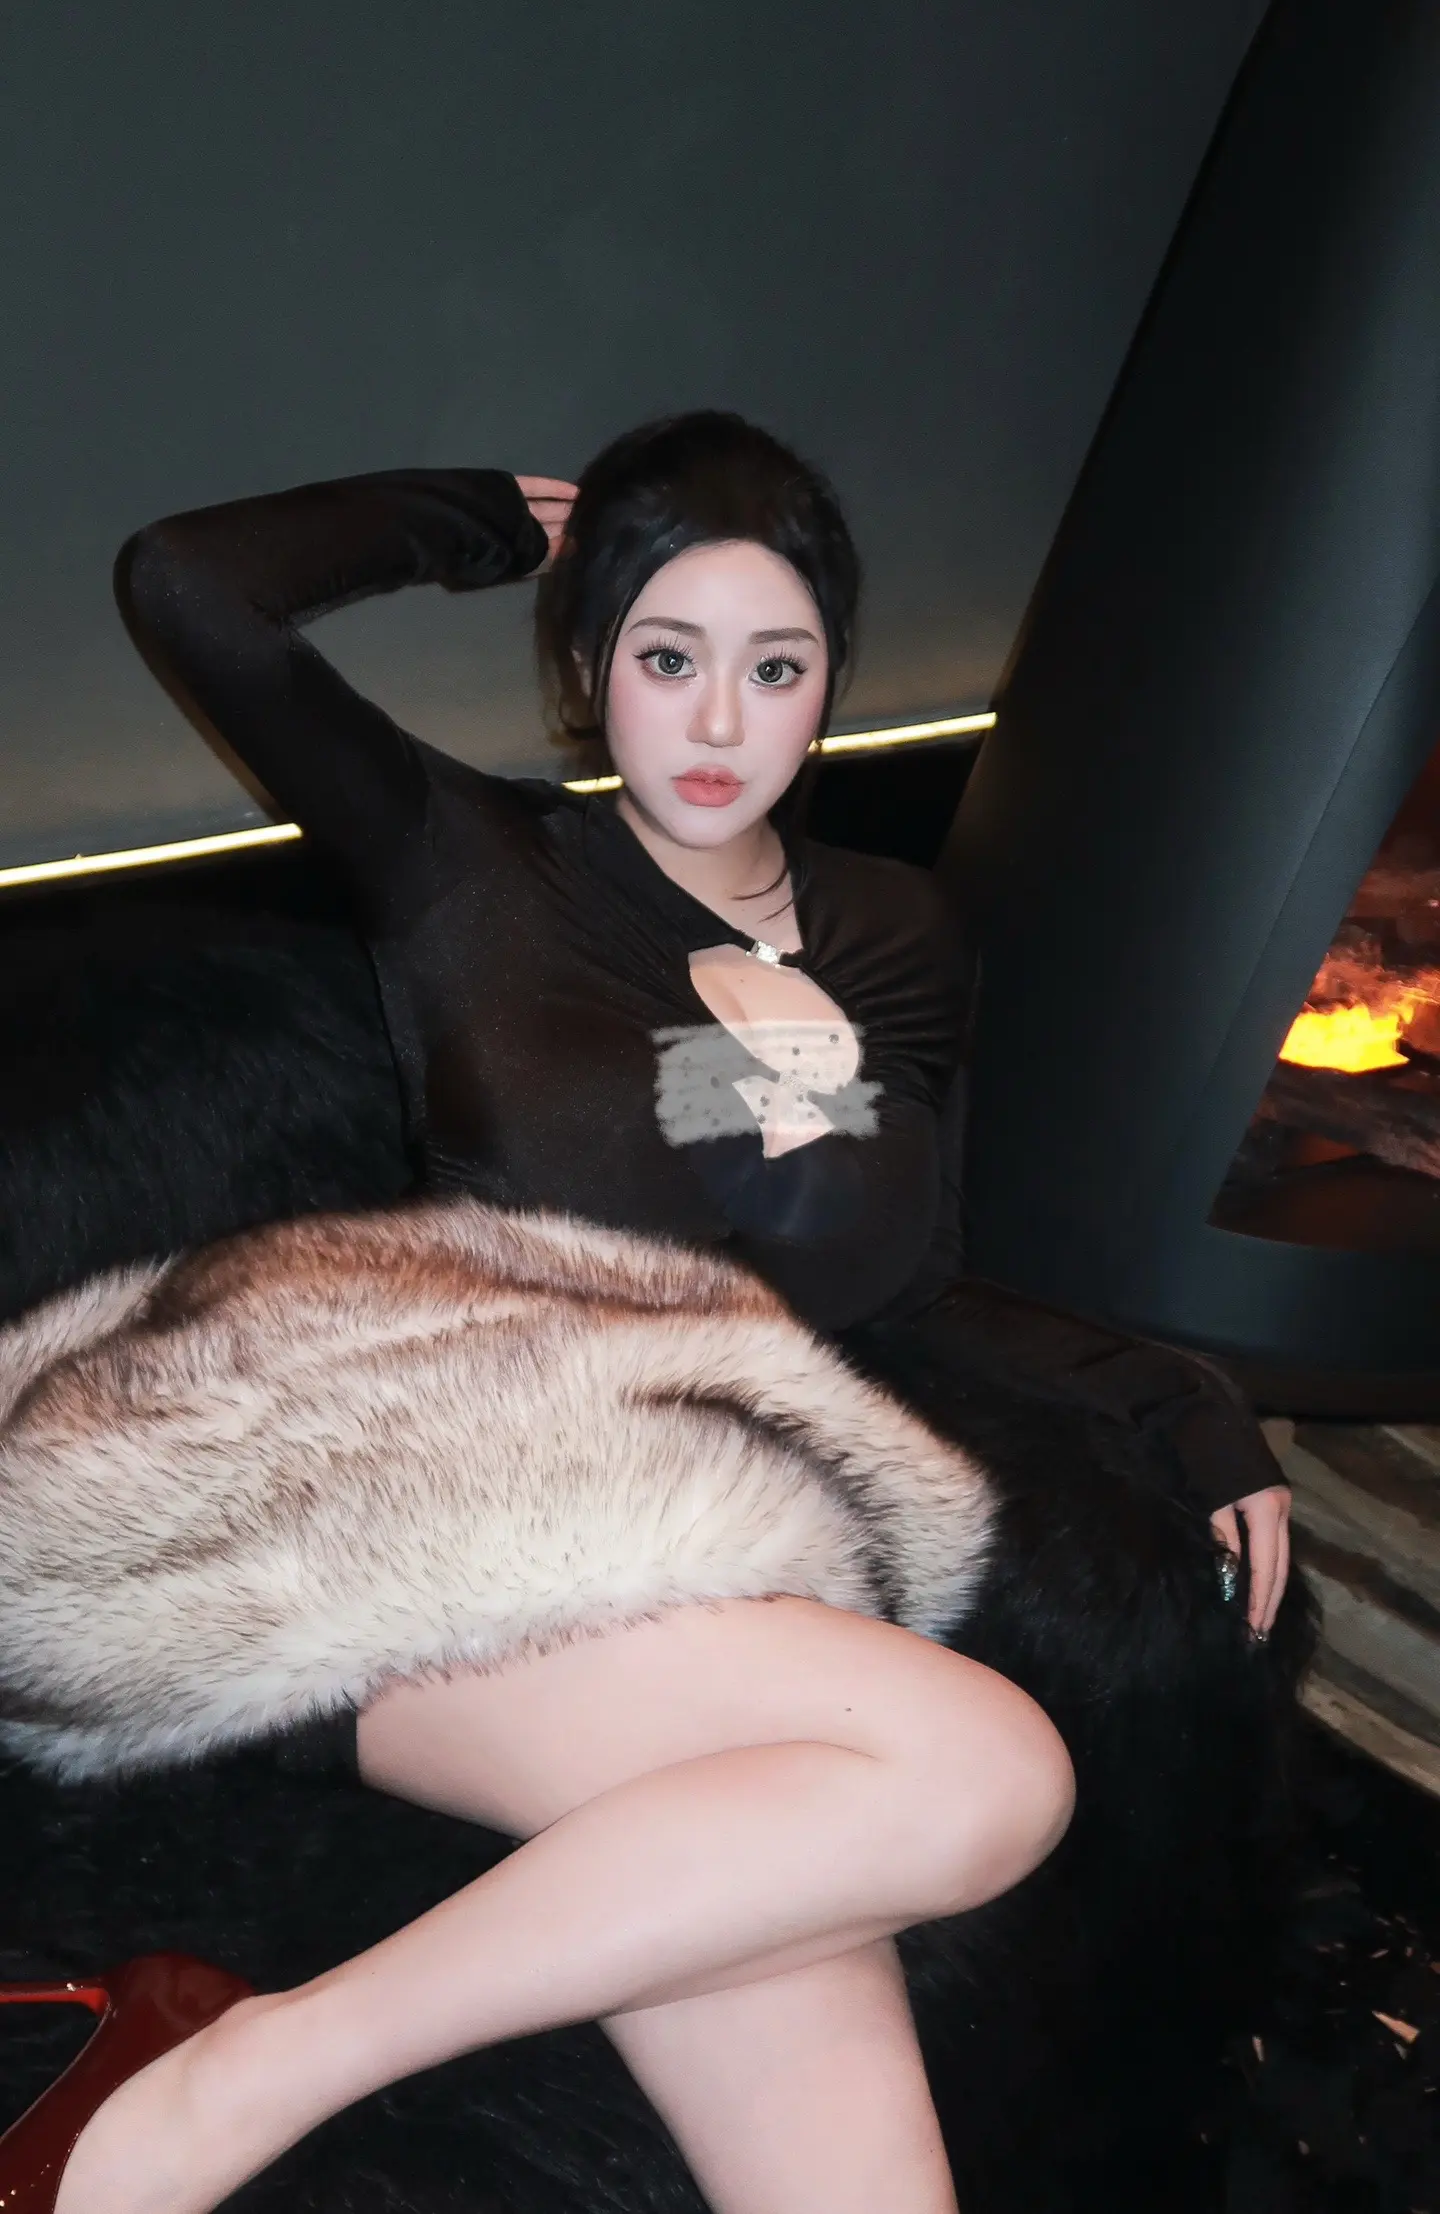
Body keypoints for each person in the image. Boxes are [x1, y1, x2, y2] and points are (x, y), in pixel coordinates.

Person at [0, 411, 1291, 2214]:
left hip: (683, 1524)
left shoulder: (898, 934)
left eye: (777, 666)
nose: (717, 722)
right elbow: (187, 589)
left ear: (830, 683)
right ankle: (239, 2068)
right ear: (592, 666)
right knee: (990, 1770)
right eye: (667, 658)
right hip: (381, 1491)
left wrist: (1176, 1397)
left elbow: (898, 1273)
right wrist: (466, 522)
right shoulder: (476, 864)